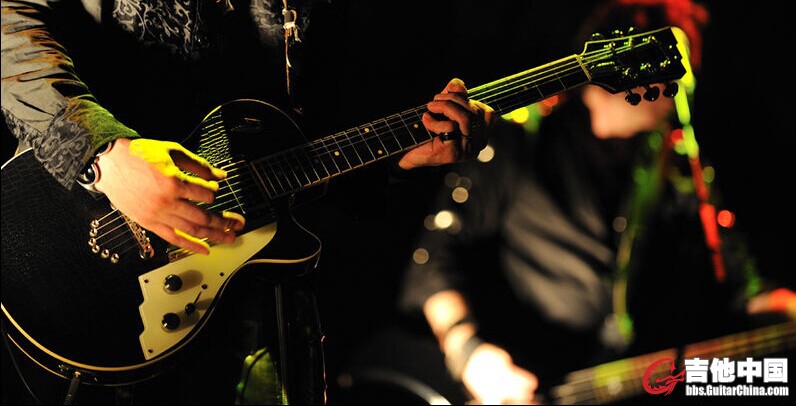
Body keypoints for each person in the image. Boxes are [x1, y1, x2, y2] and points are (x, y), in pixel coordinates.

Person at [0, 0, 493, 404]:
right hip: (85, 259)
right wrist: (102, 154)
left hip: (262, 306)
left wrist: (394, 158)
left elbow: (301, 130)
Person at [381, 0, 796, 404]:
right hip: (515, 381)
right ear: (631, 65)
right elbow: (431, 261)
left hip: (607, 379)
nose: (684, 81)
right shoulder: (522, 138)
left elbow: (744, 283)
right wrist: (471, 354)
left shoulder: (674, 160)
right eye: (667, 60)